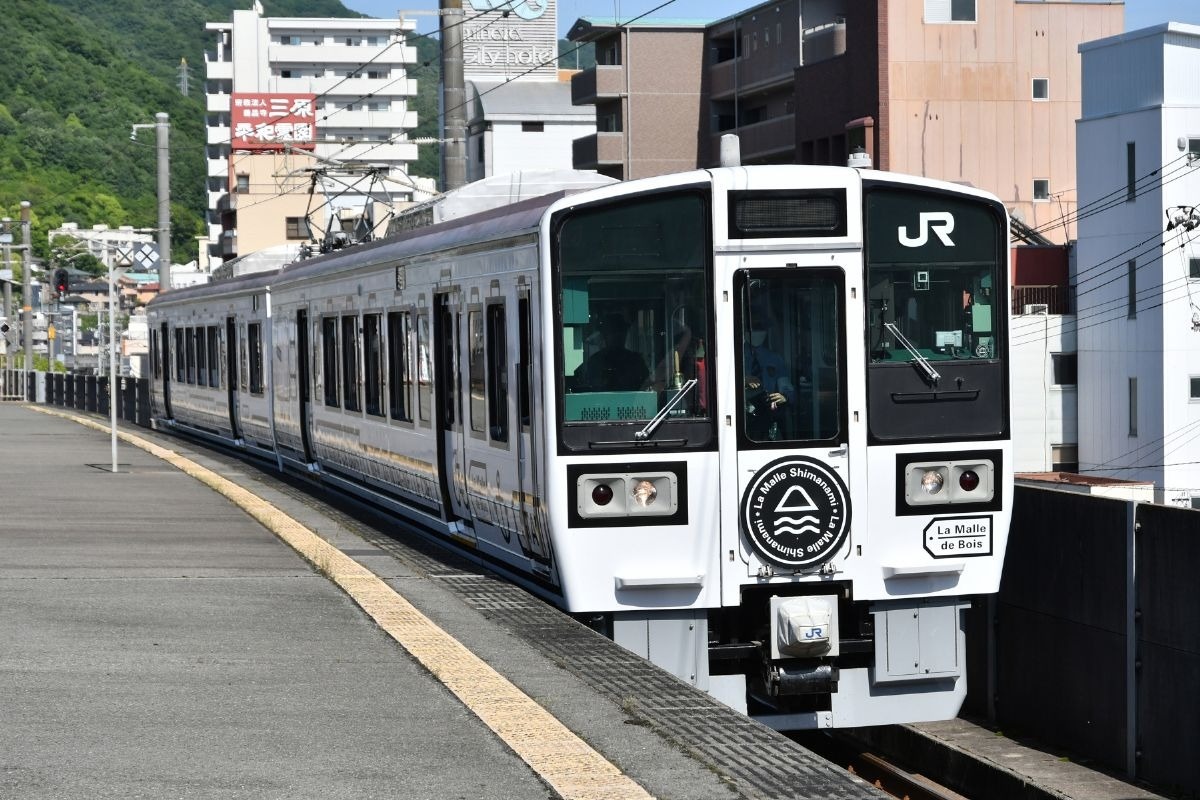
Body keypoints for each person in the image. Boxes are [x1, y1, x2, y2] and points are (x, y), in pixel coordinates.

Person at [574, 313, 649, 391]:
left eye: (621, 331)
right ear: (605, 335)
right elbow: (591, 387)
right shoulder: (595, 361)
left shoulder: (636, 360)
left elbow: (645, 386)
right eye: (613, 332)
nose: (618, 336)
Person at [744, 322, 794, 439]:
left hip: (768, 415)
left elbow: (787, 388)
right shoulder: (734, 357)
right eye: (752, 328)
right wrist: (742, 381)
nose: (756, 332)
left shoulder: (774, 358)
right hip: (742, 417)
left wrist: (784, 396)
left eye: (760, 328)